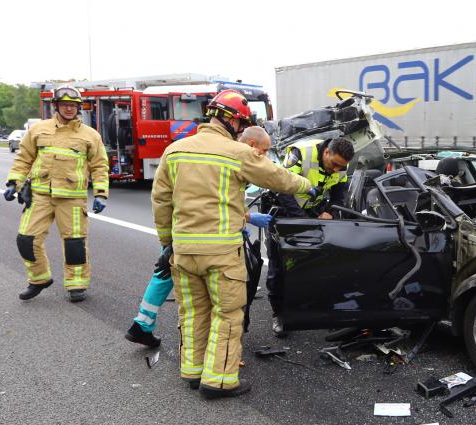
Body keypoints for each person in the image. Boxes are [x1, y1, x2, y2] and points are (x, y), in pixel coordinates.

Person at [151, 89, 313, 399]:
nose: (240, 131)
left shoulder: (176, 151)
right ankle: (220, 381)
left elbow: (160, 201)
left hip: (184, 251)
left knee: (193, 313)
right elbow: (277, 177)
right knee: (227, 314)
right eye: (241, 125)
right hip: (222, 252)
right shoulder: (235, 153)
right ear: (233, 122)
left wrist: (167, 241)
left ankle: (193, 371)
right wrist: (307, 186)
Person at [124, 126, 274, 348]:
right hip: (193, 231)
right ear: (252, 145)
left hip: (182, 227)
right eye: (264, 150)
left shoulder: (202, 151)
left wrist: (246, 218)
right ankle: (148, 328)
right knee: (182, 284)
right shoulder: (228, 153)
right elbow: (212, 200)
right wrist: (249, 217)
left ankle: (142, 324)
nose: (265, 156)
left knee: (164, 274)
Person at [3, 85, 109, 302]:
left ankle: (76, 285)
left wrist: (100, 193)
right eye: (65, 105)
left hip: (72, 199)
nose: (69, 109)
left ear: (78, 108)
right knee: (26, 239)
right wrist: (14, 182)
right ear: (56, 106)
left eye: (73, 105)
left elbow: (100, 166)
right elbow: (24, 158)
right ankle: (39, 278)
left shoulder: (90, 135)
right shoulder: (38, 130)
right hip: (40, 196)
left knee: (74, 245)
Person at [250, 137, 354, 337]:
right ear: (326, 153)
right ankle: (279, 314)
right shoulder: (300, 153)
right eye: (334, 164)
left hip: (311, 211)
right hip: (284, 210)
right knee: (279, 265)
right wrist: (302, 221)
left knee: (317, 261)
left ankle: (315, 309)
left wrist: (330, 212)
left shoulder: (340, 166)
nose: (336, 170)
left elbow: (339, 194)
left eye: (341, 167)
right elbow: (281, 188)